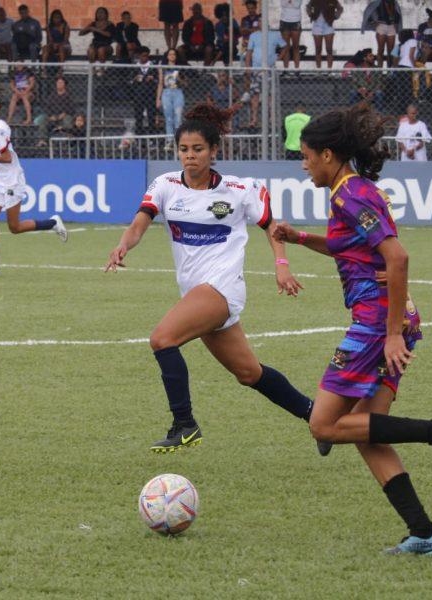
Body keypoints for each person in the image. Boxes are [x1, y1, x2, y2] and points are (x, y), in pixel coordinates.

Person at [270, 103, 432, 556]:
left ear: (328, 154)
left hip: (378, 323)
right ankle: (423, 533)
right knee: (364, 430)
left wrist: (393, 332)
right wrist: (299, 238)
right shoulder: (346, 192)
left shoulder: (351, 195)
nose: (303, 165)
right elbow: (351, 250)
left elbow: (397, 258)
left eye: (306, 156)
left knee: (324, 426)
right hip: (383, 319)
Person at [105, 102, 322, 455]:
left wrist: (281, 264)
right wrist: (123, 245)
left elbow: (272, 228)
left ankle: (184, 424)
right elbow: (139, 223)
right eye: (184, 150)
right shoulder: (165, 185)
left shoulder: (238, 189)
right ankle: (317, 417)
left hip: (223, 288)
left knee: (162, 339)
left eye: (198, 149)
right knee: (249, 373)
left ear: (214, 151)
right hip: (196, 292)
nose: (190, 157)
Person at [0, 82, 67, 278]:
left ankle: (52, 223)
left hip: (13, 181)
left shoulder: (0, 127)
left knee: (14, 227)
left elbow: (7, 158)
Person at [157, 48, 187, 151]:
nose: (172, 56)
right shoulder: (163, 67)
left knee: (178, 118)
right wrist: (158, 98)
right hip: (166, 92)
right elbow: (160, 83)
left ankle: (178, 141)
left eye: (174, 54)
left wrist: (179, 78)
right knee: (168, 118)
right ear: (167, 56)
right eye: (170, 54)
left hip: (177, 92)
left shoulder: (180, 68)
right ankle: (169, 141)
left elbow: (186, 84)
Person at [131, 47, 159, 135]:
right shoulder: (134, 66)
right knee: (138, 116)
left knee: (151, 116)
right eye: (143, 56)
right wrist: (135, 79)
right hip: (138, 95)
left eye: (147, 56)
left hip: (151, 94)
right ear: (139, 56)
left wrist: (153, 78)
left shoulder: (153, 66)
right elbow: (128, 81)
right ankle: (139, 135)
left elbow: (159, 80)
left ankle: (152, 135)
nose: (145, 58)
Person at [307, 0, 343, 69]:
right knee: (318, 50)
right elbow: (308, 7)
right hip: (317, 25)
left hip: (328, 25)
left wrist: (335, 16)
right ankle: (318, 71)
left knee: (329, 50)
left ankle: (329, 71)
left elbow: (340, 8)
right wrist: (310, 14)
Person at [279, 0, 303, 71]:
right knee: (286, 47)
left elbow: (297, 5)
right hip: (284, 21)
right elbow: (283, 4)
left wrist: (289, 2)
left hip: (296, 21)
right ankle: (286, 70)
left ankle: (297, 70)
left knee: (296, 47)